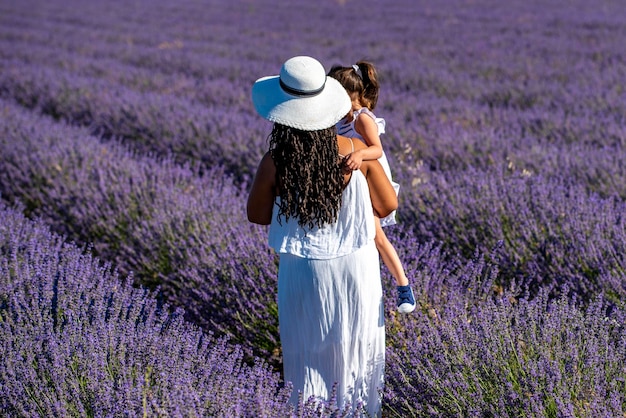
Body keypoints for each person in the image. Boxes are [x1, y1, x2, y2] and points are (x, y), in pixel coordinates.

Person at [247, 56, 398, 416]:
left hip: (304, 269)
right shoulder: (355, 152)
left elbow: (257, 215)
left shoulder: (275, 161)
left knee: (308, 356)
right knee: (357, 354)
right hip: (355, 266)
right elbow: (388, 206)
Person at [328, 61, 416, 314]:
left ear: (346, 96)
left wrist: (359, 155)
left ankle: (403, 287)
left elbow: (377, 149)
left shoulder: (362, 118)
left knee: (376, 234)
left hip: (371, 183)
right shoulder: (342, 119)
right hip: (354, 183)